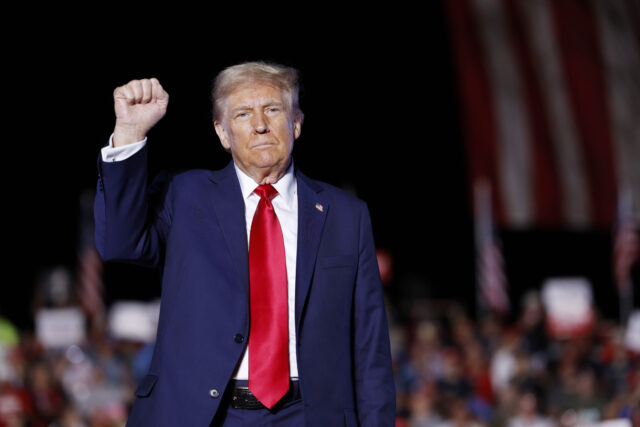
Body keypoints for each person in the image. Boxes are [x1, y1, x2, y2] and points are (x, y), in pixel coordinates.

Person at [94, 61, 395, 426]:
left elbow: (369, 348)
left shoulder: (347, 215)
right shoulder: (185, 196)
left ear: (296, 122)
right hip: (205, 415)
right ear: (223, 133)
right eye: (242, 113)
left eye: (272, 109)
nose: (260, 124)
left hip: (310, 415)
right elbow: (119, 244)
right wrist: (129, 132)